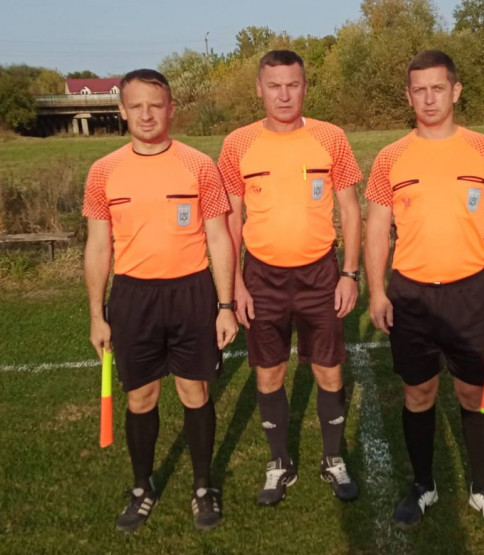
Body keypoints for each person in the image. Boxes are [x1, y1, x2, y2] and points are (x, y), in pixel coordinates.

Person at [364, 50, 484, 536]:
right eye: (419, 90)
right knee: (419, 392)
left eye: (438, 88)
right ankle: (423, 485)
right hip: (410, 295)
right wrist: (377, 292)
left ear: (455, 91)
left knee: (475, 393)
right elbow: (376, 229)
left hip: (470, 292)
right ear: (408, 96)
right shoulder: (390, 156)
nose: (429, 98)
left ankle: (482, 488)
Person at [83, 69, 238, 532]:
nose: (147, 114)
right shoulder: (104, 171)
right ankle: (141, 487)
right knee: (141, 396)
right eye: (137, 106)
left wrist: (225, 305)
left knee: (195, 391)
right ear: (122, 110)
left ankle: (203, 486)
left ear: (171, 109)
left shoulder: (198, 165)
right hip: (134, 297)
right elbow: (98, 247)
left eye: (156, 105)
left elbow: (219, 237)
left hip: (192, 292)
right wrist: (96, 315)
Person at [218, 50, 362, 506]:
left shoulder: (331, 137)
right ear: (259, 89)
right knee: (269, 372)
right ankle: (279, 461)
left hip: (321, 273)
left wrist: (350, 273)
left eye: (292, 85)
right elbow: (230, 219)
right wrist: (235, 285)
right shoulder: (237, 143)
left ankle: (332, 458)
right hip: (262, 276)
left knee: (329, 370)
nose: (284, 95)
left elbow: (350, 210)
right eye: (274, 85)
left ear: (305, 87)